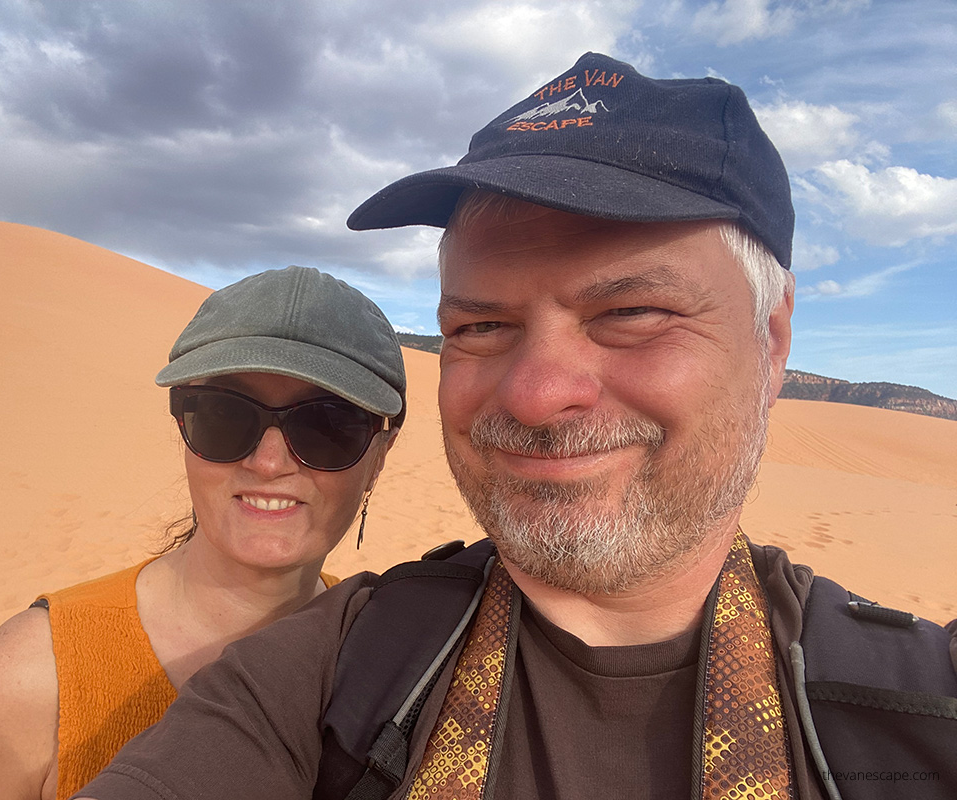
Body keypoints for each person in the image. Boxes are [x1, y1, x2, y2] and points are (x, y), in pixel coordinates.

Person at [76, 53, 957, 800]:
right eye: (481, 327)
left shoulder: (919, 708)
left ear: (771, 345)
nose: (535, 396)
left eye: (634, 311)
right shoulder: (328, 670)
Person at [0, 265, 407, 800]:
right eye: (225, 415)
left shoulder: (385, 661)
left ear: (379, 457)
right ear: (182, 426)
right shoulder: (32, 681)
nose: (269, 462)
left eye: (327, 426)